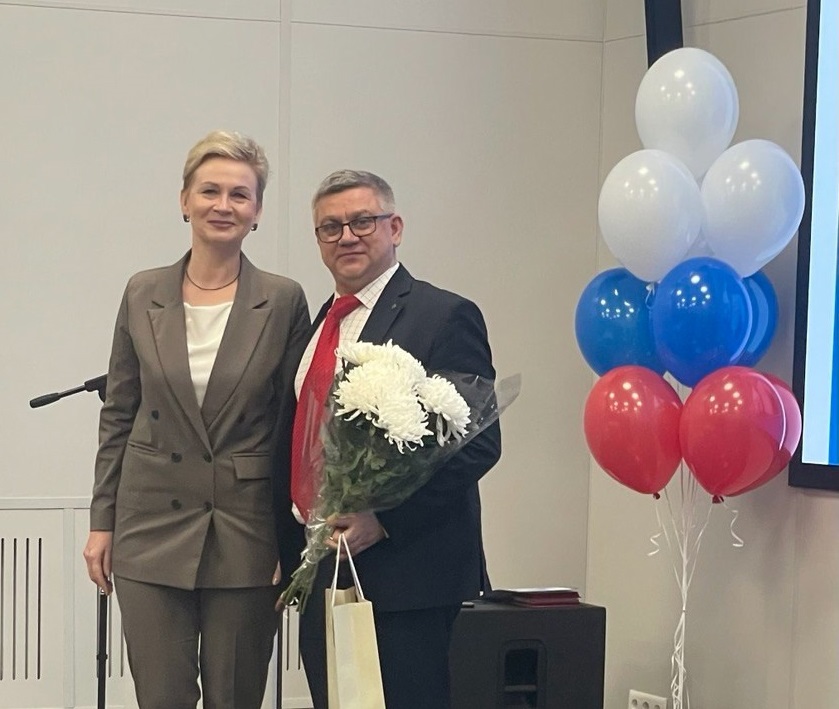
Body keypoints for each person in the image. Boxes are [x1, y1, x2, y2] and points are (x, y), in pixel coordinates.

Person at [82, 130, 310, 709]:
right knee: (161, 696)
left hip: (246, 528)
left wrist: (292, 536)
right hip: (149, 524)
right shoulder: (143, 291)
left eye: (240, 194)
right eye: (209, 190)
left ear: (257, 210)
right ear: (184, 199)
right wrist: (102, 521)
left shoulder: (283, 299)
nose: (223, 205)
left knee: (236, 696)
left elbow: (293, 427)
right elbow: (119, 414)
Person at [295, 169, 502, 709]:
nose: (347, 236)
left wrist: (385, 521)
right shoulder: (319, 326)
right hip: (326, 573)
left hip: (410, 579)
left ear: (395, 227)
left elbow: (478, 444)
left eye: (363, 221)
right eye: (331, 227)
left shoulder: (444, 315)